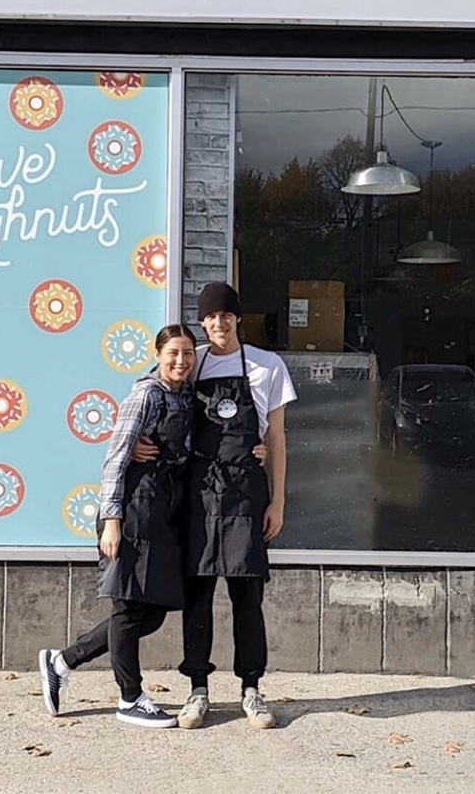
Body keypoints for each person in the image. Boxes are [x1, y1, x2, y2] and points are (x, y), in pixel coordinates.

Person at [139, 281, 296, 731]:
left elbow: (277, 440)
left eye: (226, 315)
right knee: (198, 597)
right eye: (210, 316)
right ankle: (197, 691)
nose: (218, 323)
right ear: (202, 321)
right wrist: (134, 447)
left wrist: (278, 501)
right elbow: (150, 396)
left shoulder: (268, 366)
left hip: (247, 493)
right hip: (200, 491)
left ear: (237, 318)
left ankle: (252, 689)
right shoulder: (192, 362)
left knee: (248, 597)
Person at [38, 324, 198, 728]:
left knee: (155, 610)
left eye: (187, 354)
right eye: (173, 353)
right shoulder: (144, 395)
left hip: (164, 513)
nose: (181, 361)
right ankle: (130, 698)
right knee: (127, 608)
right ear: (158, 354)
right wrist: (111, 520)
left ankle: (63, 660)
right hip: (133, 510)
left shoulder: (187, 396)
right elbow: (115, 458)